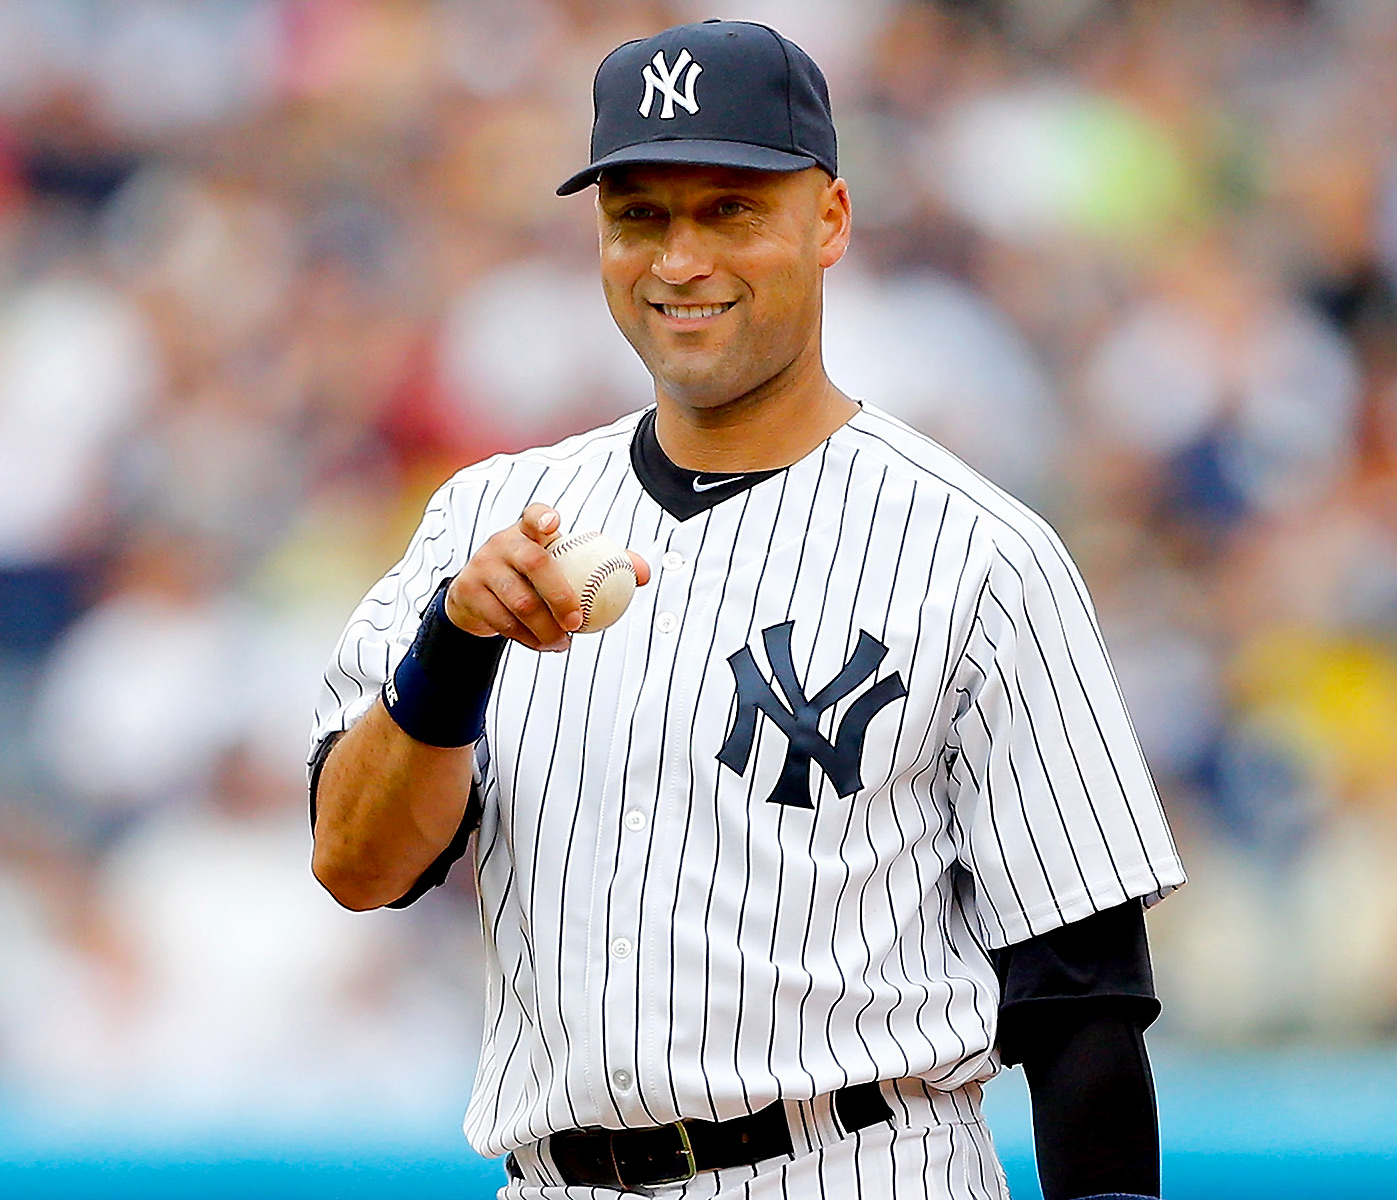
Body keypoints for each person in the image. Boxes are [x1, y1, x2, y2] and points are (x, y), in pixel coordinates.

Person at [309, 19, 1185, 1200]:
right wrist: (451, 652)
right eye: (639, 216)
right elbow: (355, 865)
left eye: (727, 210)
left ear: (826, 220)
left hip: (854, 1162)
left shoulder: (975, 551)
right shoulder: (489, 517)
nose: (678, 260)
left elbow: (1081, 1004)